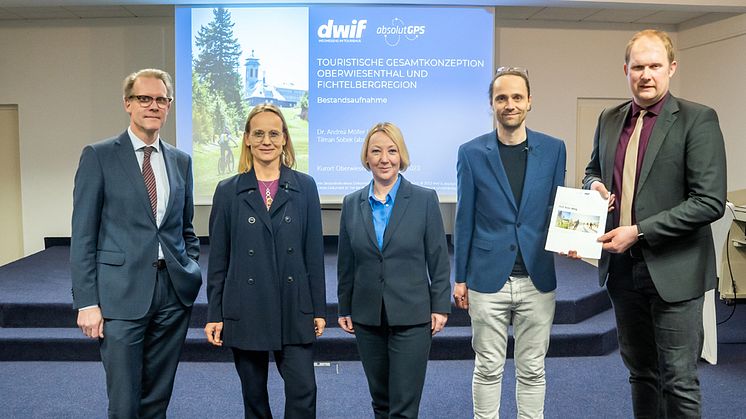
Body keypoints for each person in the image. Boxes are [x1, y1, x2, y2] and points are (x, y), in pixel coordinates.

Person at [582, 29, 726, 418]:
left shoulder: (697, 119)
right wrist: (594, 184)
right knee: (640, 373)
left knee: (678, 379)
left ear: (672, 68)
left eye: (655, 66)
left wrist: (640, 231)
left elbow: (709, 202)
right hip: (622, 270)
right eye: (639, 66)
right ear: (625, 69)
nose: (646, 74)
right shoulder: (609, 118)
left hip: (675, 270)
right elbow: (593, 168)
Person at [70, 68, 202, 418]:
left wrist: (190, 266)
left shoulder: (181, 161)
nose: (153, 105)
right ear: (128, 103)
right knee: (125, 400)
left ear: (169, 106)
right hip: (120, 295)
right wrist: (86, 302)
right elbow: (83, 235)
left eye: (161, 99)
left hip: (172, 292)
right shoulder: (99, 156)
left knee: (158, 396)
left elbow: (184, 227)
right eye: (144, 98)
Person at [454, 67, 566, 418]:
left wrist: (579, 229)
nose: (510, 104)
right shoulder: (471, 153)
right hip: (488, 279)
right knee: (487, 368)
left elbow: (555, 208)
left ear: (530, 101)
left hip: (537, 277)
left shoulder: (553, 149)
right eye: (501, 98)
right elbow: (464, 218)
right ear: (491, 104)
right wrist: (460, 278)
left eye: (517, 97)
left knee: (533, 369)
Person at [205, 103, 326, 419]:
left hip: (293, 304)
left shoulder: (305, 186)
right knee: (254, 398)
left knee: (304, 392)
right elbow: (219, 259)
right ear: (246, 139)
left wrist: (318, 309)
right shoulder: (228, 191)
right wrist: (215, 313)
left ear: (285, 138)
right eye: (258, 133)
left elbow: (313, 253)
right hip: (245, 306)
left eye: (274, 133)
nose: (266, 140)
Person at [337, 122, 451, 419]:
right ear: (367, 157)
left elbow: (438, 257)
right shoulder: (351, 204)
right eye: (376, 151)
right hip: (367, 317)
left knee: (403, 407)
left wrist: (440, 305)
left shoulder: (425, 199)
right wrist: (344, 306)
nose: (384, 158)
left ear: (401, 155)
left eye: (391, 150)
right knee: (381, 403)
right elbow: (346, 263)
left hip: (412, 316)